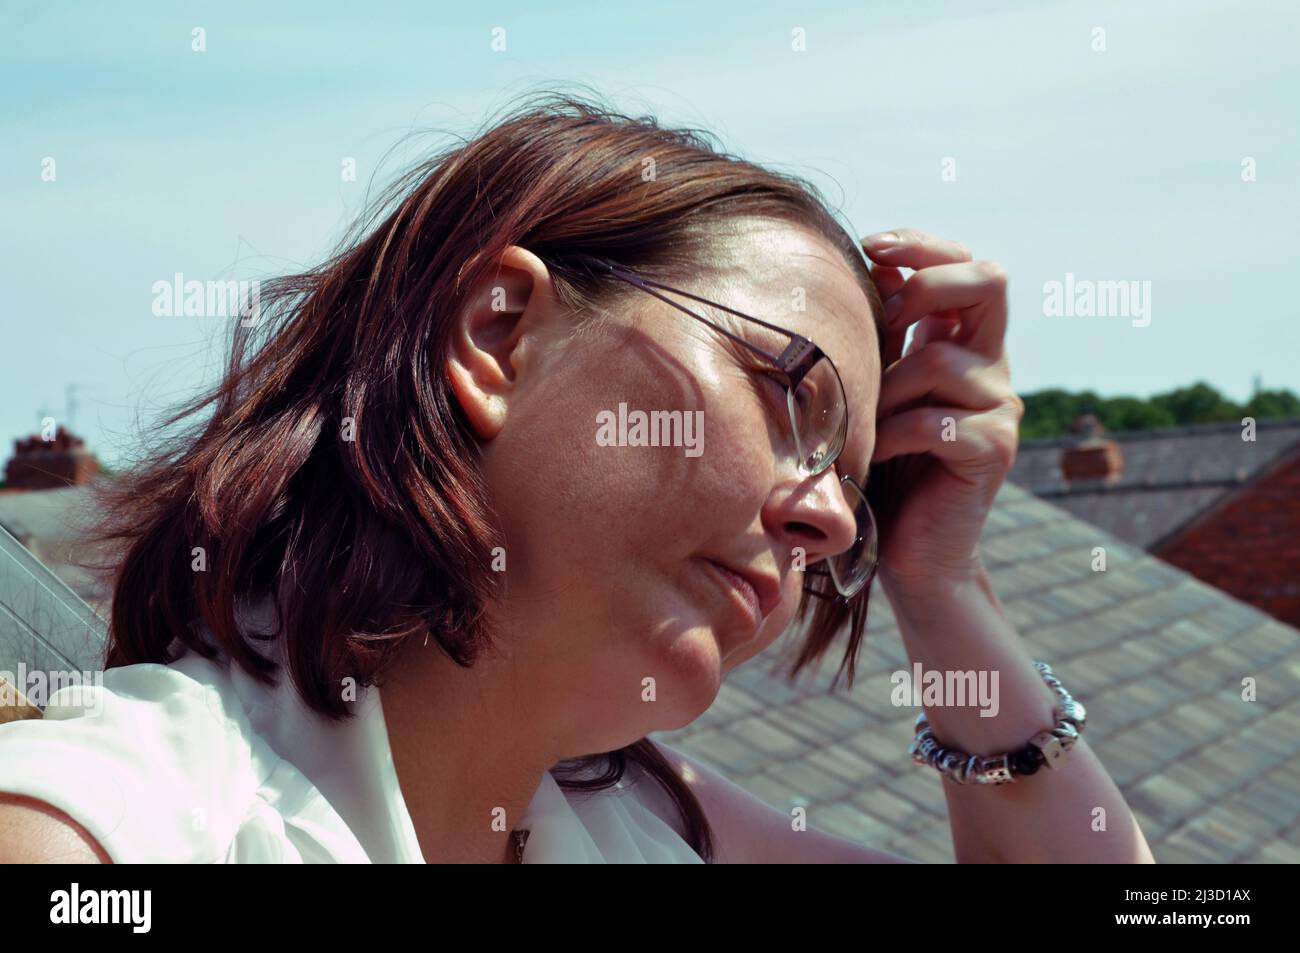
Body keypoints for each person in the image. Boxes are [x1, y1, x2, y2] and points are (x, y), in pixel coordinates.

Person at [0, 90, 1154, 863]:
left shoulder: (636, 821)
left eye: (853, 497)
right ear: (497, 332)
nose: (819, 519)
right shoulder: (104, 824)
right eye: (788, 397)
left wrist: (938, 576)